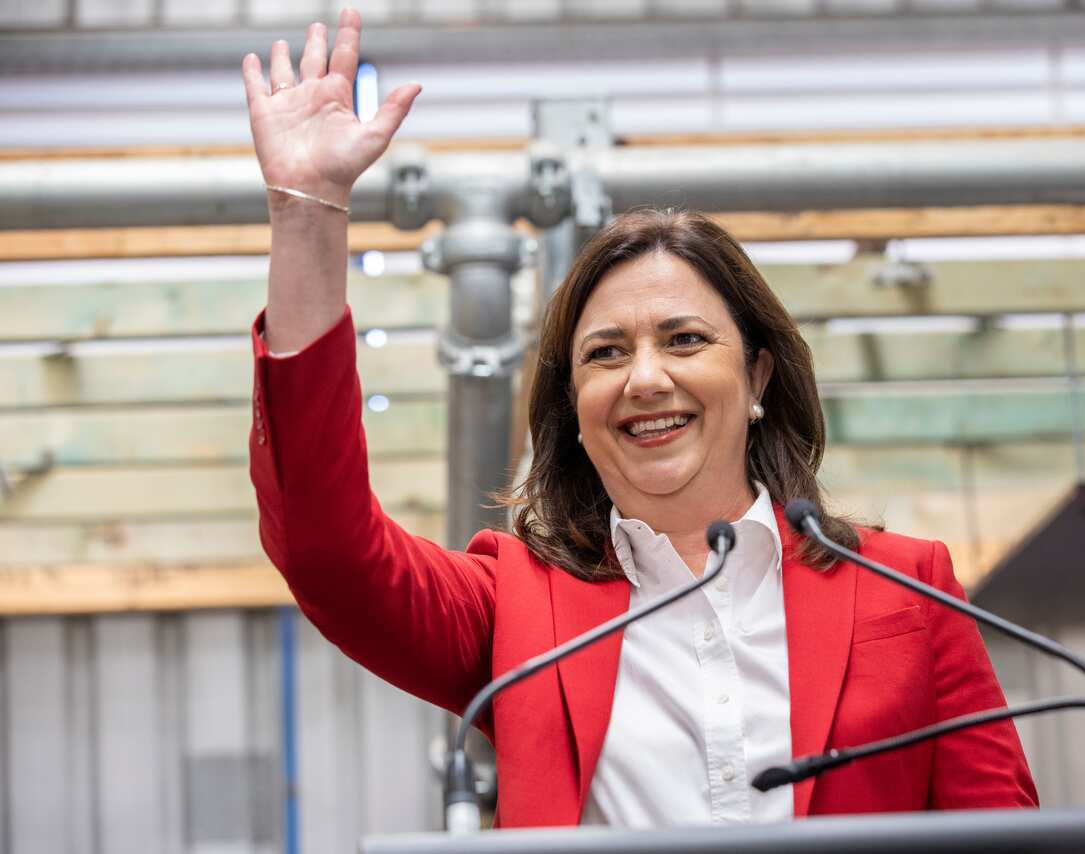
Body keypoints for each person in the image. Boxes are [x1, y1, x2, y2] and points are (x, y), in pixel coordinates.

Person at [242, 9, 1037, 829]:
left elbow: (1004, 835)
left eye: (685, 340)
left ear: (757, 374)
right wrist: (307, 212)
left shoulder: (908, 589)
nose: (646, 379)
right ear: (574, 409)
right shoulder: (517, 609)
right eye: (606, 354)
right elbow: (328, 551)